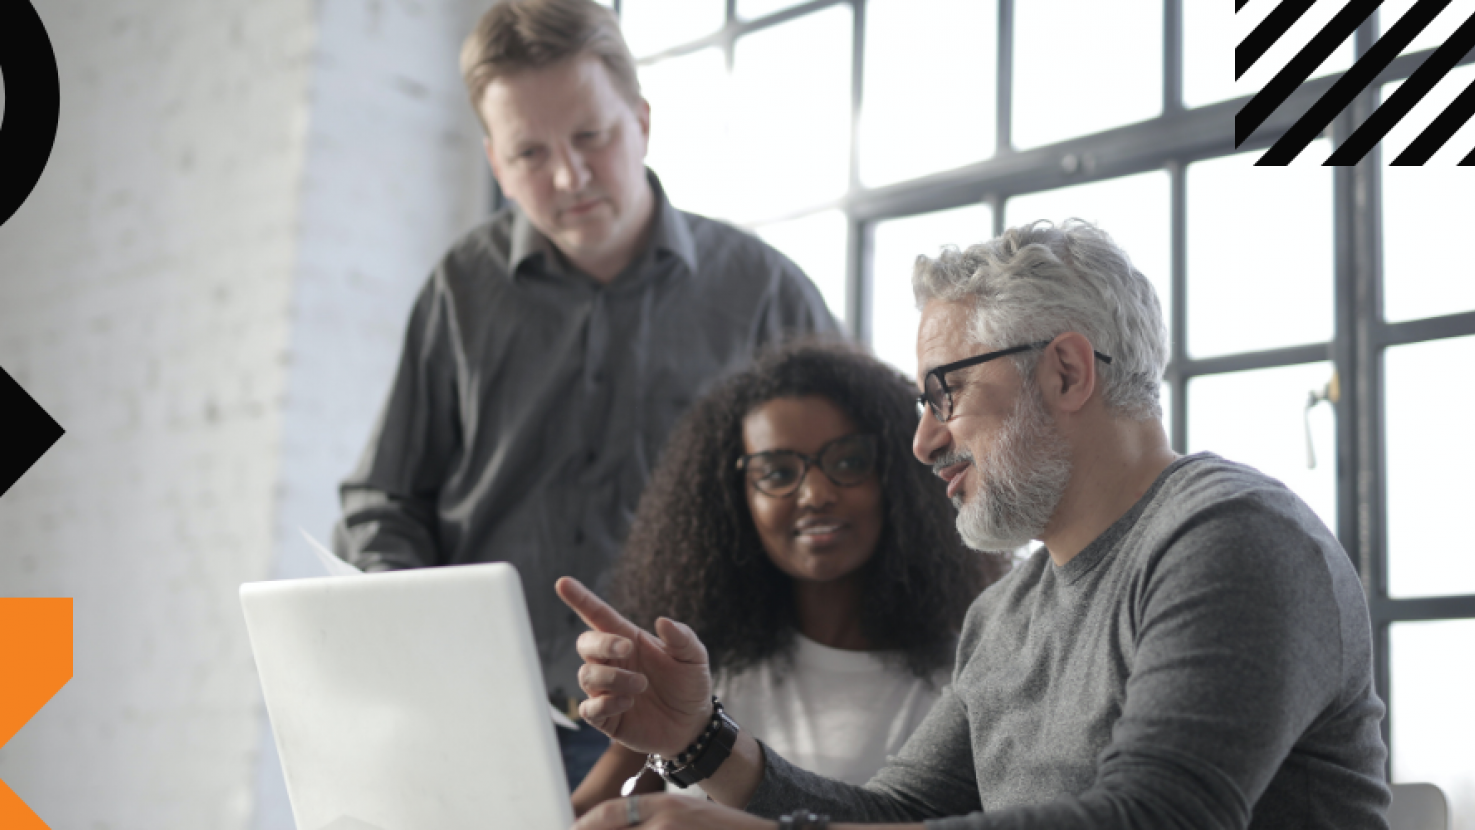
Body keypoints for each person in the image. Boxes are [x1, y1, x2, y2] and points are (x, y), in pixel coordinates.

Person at [558, 219, 1392, 829]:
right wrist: (700, 742)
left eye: (943, 394)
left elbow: (1159, 816)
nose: (922, 440)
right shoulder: (1005, 612)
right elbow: (898, 814)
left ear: (1065, 370)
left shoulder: (1234, 540)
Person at [332, 0, 838, 790]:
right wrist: (424, 641)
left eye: (592, 137)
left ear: (640, 121)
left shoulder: (765, 291)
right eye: (530, 152)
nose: (568, 177)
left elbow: (842, 503)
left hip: (703, 730)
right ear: (496, 164)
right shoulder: (459, 289)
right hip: (483, 724)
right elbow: (383, 502)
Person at [570, 341, 1008, 815]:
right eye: (777, 472)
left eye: (847, 462)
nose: (815, 494)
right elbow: (580, 818)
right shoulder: (694, 664)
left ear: (896, 477)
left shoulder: (962, 674)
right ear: (734, 499)